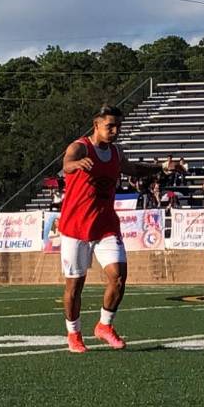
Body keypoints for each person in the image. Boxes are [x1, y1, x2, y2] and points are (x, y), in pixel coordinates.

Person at [58, 105, 164, 354]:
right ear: (96, 125)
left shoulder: (116, 152)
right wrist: (76, 165)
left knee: (118, 277)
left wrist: (161, 168)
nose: (115, 131)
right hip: (76, 227)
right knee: (75, 286)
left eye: (118, 126)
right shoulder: (80, 147)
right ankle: (73, 333)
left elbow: (133, 170)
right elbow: (67, 164)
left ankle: (104, 326)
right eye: (110, 126)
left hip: (106, 224)